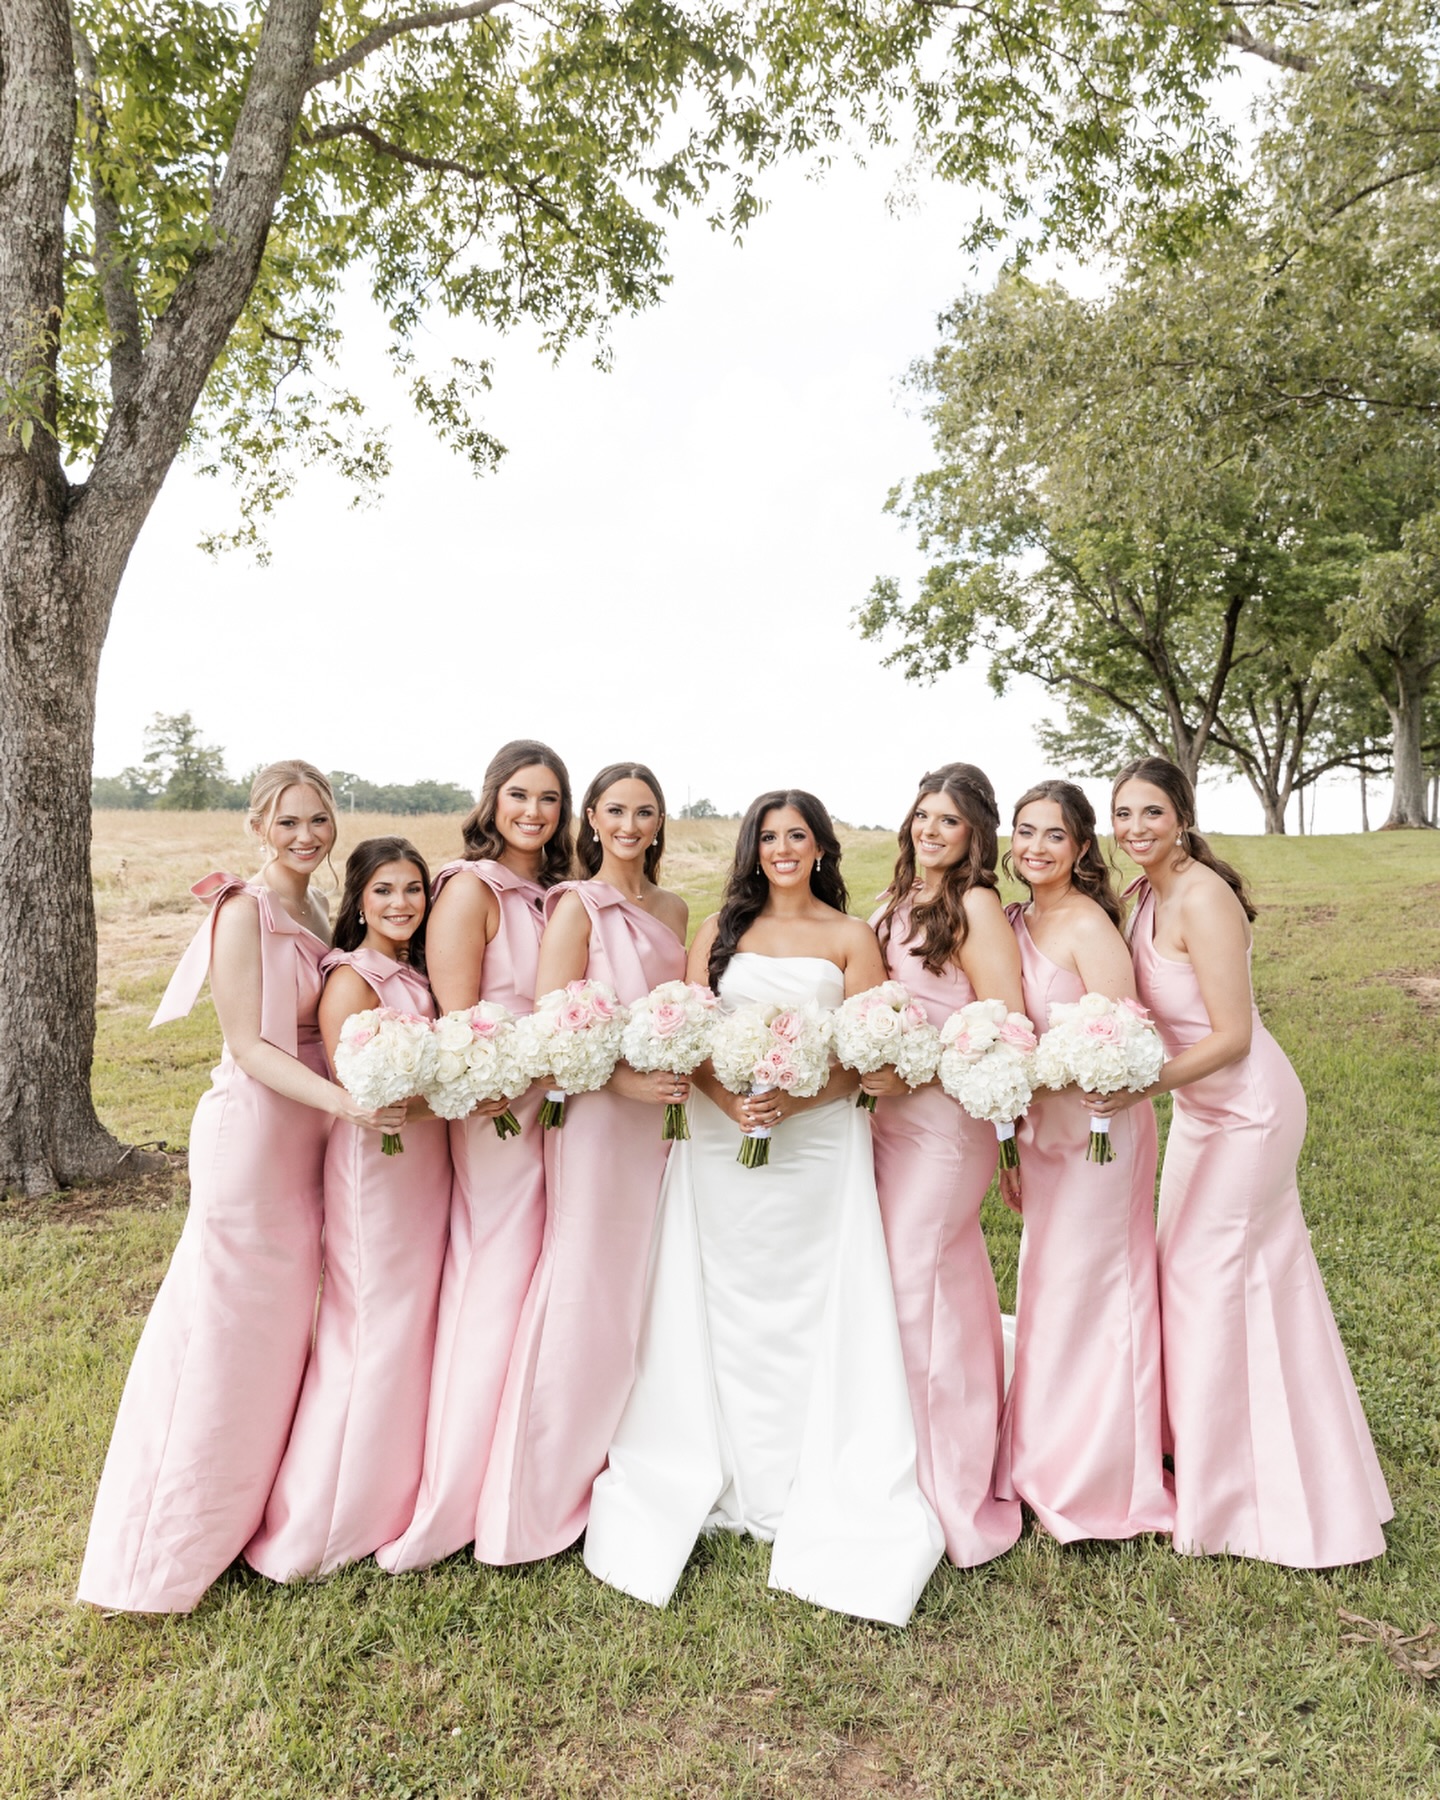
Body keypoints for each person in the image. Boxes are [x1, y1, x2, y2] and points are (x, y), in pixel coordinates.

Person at [584, 790, 944, 1626]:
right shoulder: (719, 930)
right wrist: (731, 1098)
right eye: (769, 837)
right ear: (753, 849)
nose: (784, 848)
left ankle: (802, 1470)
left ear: (821, 847)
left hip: (818, 1146)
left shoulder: (852, 940)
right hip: (720, 1142)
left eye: (798, 835)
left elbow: (869, 1060)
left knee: (811, 1299)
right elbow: (688, 1033)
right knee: (721, 1297)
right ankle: (720, 1462)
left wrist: (795, 1101)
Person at [77, 763, 405, 1612]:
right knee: (220, 1332)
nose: (306, 836)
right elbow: (253, 1047)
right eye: (288, 822)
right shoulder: (243, 909)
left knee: (274, 1334)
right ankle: (161, 1554)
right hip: (253, 1136)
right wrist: (349, 1101)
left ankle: (243, 1519)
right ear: (258, 826)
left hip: (308, 1141)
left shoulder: (311, 911)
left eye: (319, 820)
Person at [1101, 755, 1391, 1567]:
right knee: (1193, 1271)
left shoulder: (1204, 896)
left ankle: (1233, 1485)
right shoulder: (1142, 894)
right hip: (1199, 1114)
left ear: (1183, 816)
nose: (1135, 830)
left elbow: (1229, 1035)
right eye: (1122, 815)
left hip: (1250, 1111)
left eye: (1150, 814)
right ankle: (1225, 1451)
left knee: (1204, 1272)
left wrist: (1137, 1086)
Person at [475, 762, 687, 1564]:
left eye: (645, 811)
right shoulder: (574, 906)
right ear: (591, 820)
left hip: (662, 1127)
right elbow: (549, 1033)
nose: (630, 825)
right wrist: (628, 1081)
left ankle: (618, 1456)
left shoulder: (672, 909)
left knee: (642, 1291)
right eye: (615, 812)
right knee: (582, 1288)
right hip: (599, 1121)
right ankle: (538, 1492)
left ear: (661, 822)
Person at [378, 742, 573, 1572]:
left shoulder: (555, 894)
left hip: (560, 1104)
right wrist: (515, 1069)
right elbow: (461, 1022)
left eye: (551, 799)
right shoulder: (467, 887)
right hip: (496, 1105)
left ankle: (522, 1468)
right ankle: (457, 1490)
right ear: (491, 799)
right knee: (493, 1279)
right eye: (520, 795)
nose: (534, 812)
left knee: (536, 1282)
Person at [246, 837, 450, 1580]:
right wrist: (460, 1098)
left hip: (425, 1165)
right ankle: (319, 1523)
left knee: (405, 1328)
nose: (401, 904)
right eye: (385, 891)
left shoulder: (414, 974)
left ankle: (384, 1497)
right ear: (358, 899)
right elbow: (363, 1095)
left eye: (413, 890)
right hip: (377, 1166)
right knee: (368, 1326)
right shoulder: (351, 979)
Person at [995, 781, 1172, 1542]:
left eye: (1054, 836)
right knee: (1048, 1290)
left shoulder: (1089, 924)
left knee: (1098, 1293)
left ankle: (1102, 1475)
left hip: (1101, 1133)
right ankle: (1045, 1457)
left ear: (1081, 848)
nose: (1036, 847)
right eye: (1026, 831)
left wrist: (1060, 1079)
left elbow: (1126, 1041)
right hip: (1043, 1136)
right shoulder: (1015, 920)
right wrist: (1010, 1134)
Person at [860, 764, 1023, 1566]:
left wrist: (1007, 1136)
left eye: (948, 821)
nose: (930, 830)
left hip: (947, 1126)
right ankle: (900, 1452)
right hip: (885, 1121)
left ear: (973, 835)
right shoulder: (891, 906)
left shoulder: (978, 907)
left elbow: (1002, 1024)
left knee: (913, 1280)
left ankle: (942, 1483)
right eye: (922, 815)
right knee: (927, 1286)